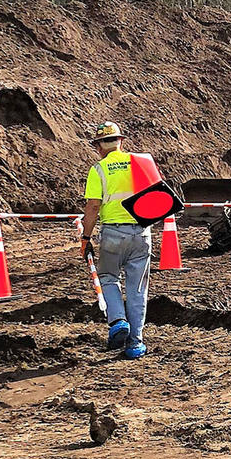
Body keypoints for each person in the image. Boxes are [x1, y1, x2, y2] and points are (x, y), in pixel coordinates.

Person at [80, 122, 151, 360]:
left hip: (112, 233)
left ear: (100, 146)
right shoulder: (141, 163)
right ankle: (135, 344)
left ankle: (118, 321)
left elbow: (92, 207)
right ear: (121, 141)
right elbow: (159, 197)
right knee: (137, 289)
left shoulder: (98, 170)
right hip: (141, 234)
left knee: (109, 278)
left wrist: (85, 238)